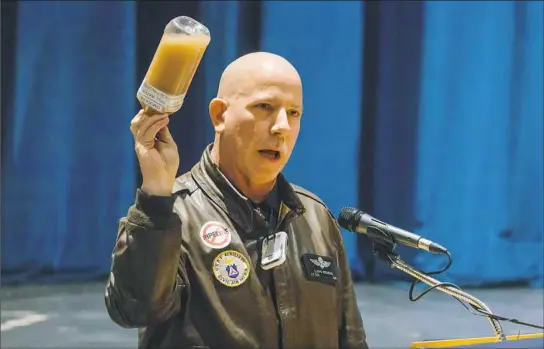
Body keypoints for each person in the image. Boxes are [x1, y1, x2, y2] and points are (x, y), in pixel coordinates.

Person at [105, 51, 369, 349]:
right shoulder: (170, 213)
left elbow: (351, 337)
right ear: (220, 115)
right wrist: (155, 196)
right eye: (265, 106)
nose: (282, 126)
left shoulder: (314, 216)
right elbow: (134, 310)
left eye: (294, 113)